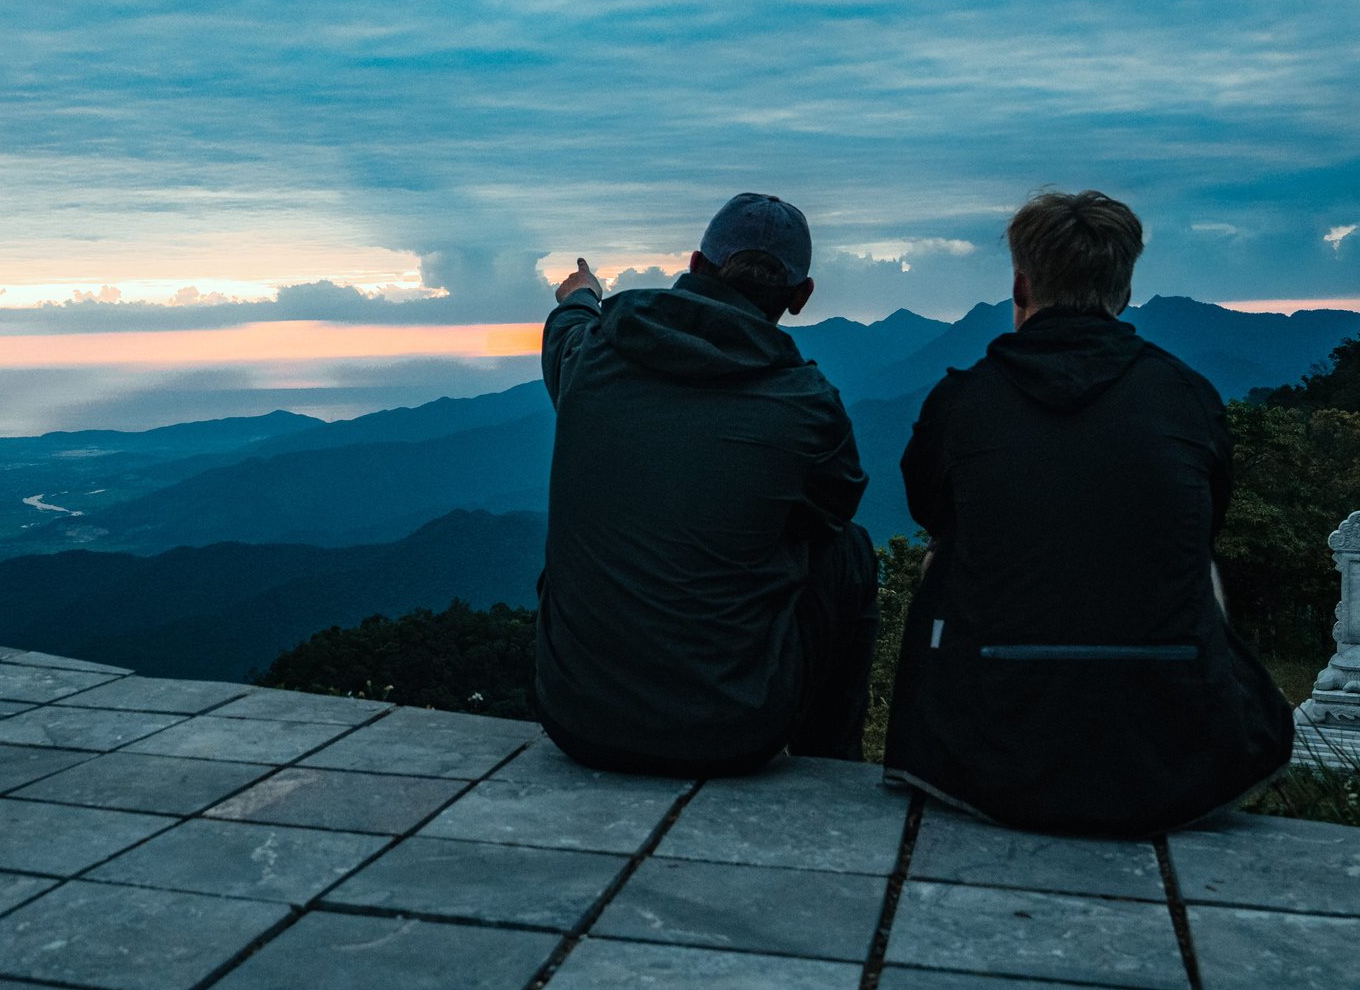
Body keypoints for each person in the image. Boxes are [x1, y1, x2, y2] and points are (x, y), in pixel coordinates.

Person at [880, 189, 1293, 836]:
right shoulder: (1187, 397)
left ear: (1020, 284)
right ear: (1124, 290)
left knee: (945, 542)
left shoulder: (963, 401)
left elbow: (928, 509)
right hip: (1171, 760)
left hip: (987, 752)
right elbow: (1206, 521)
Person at [532, 192, 879, 777]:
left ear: (694, 266)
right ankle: (834, 770)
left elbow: (567, 327)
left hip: (576, 719)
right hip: (733, 730)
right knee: (849, 552)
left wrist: (584, 292)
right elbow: (826, 519)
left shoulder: (594, 358)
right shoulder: (808, 405)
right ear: (800, 298)